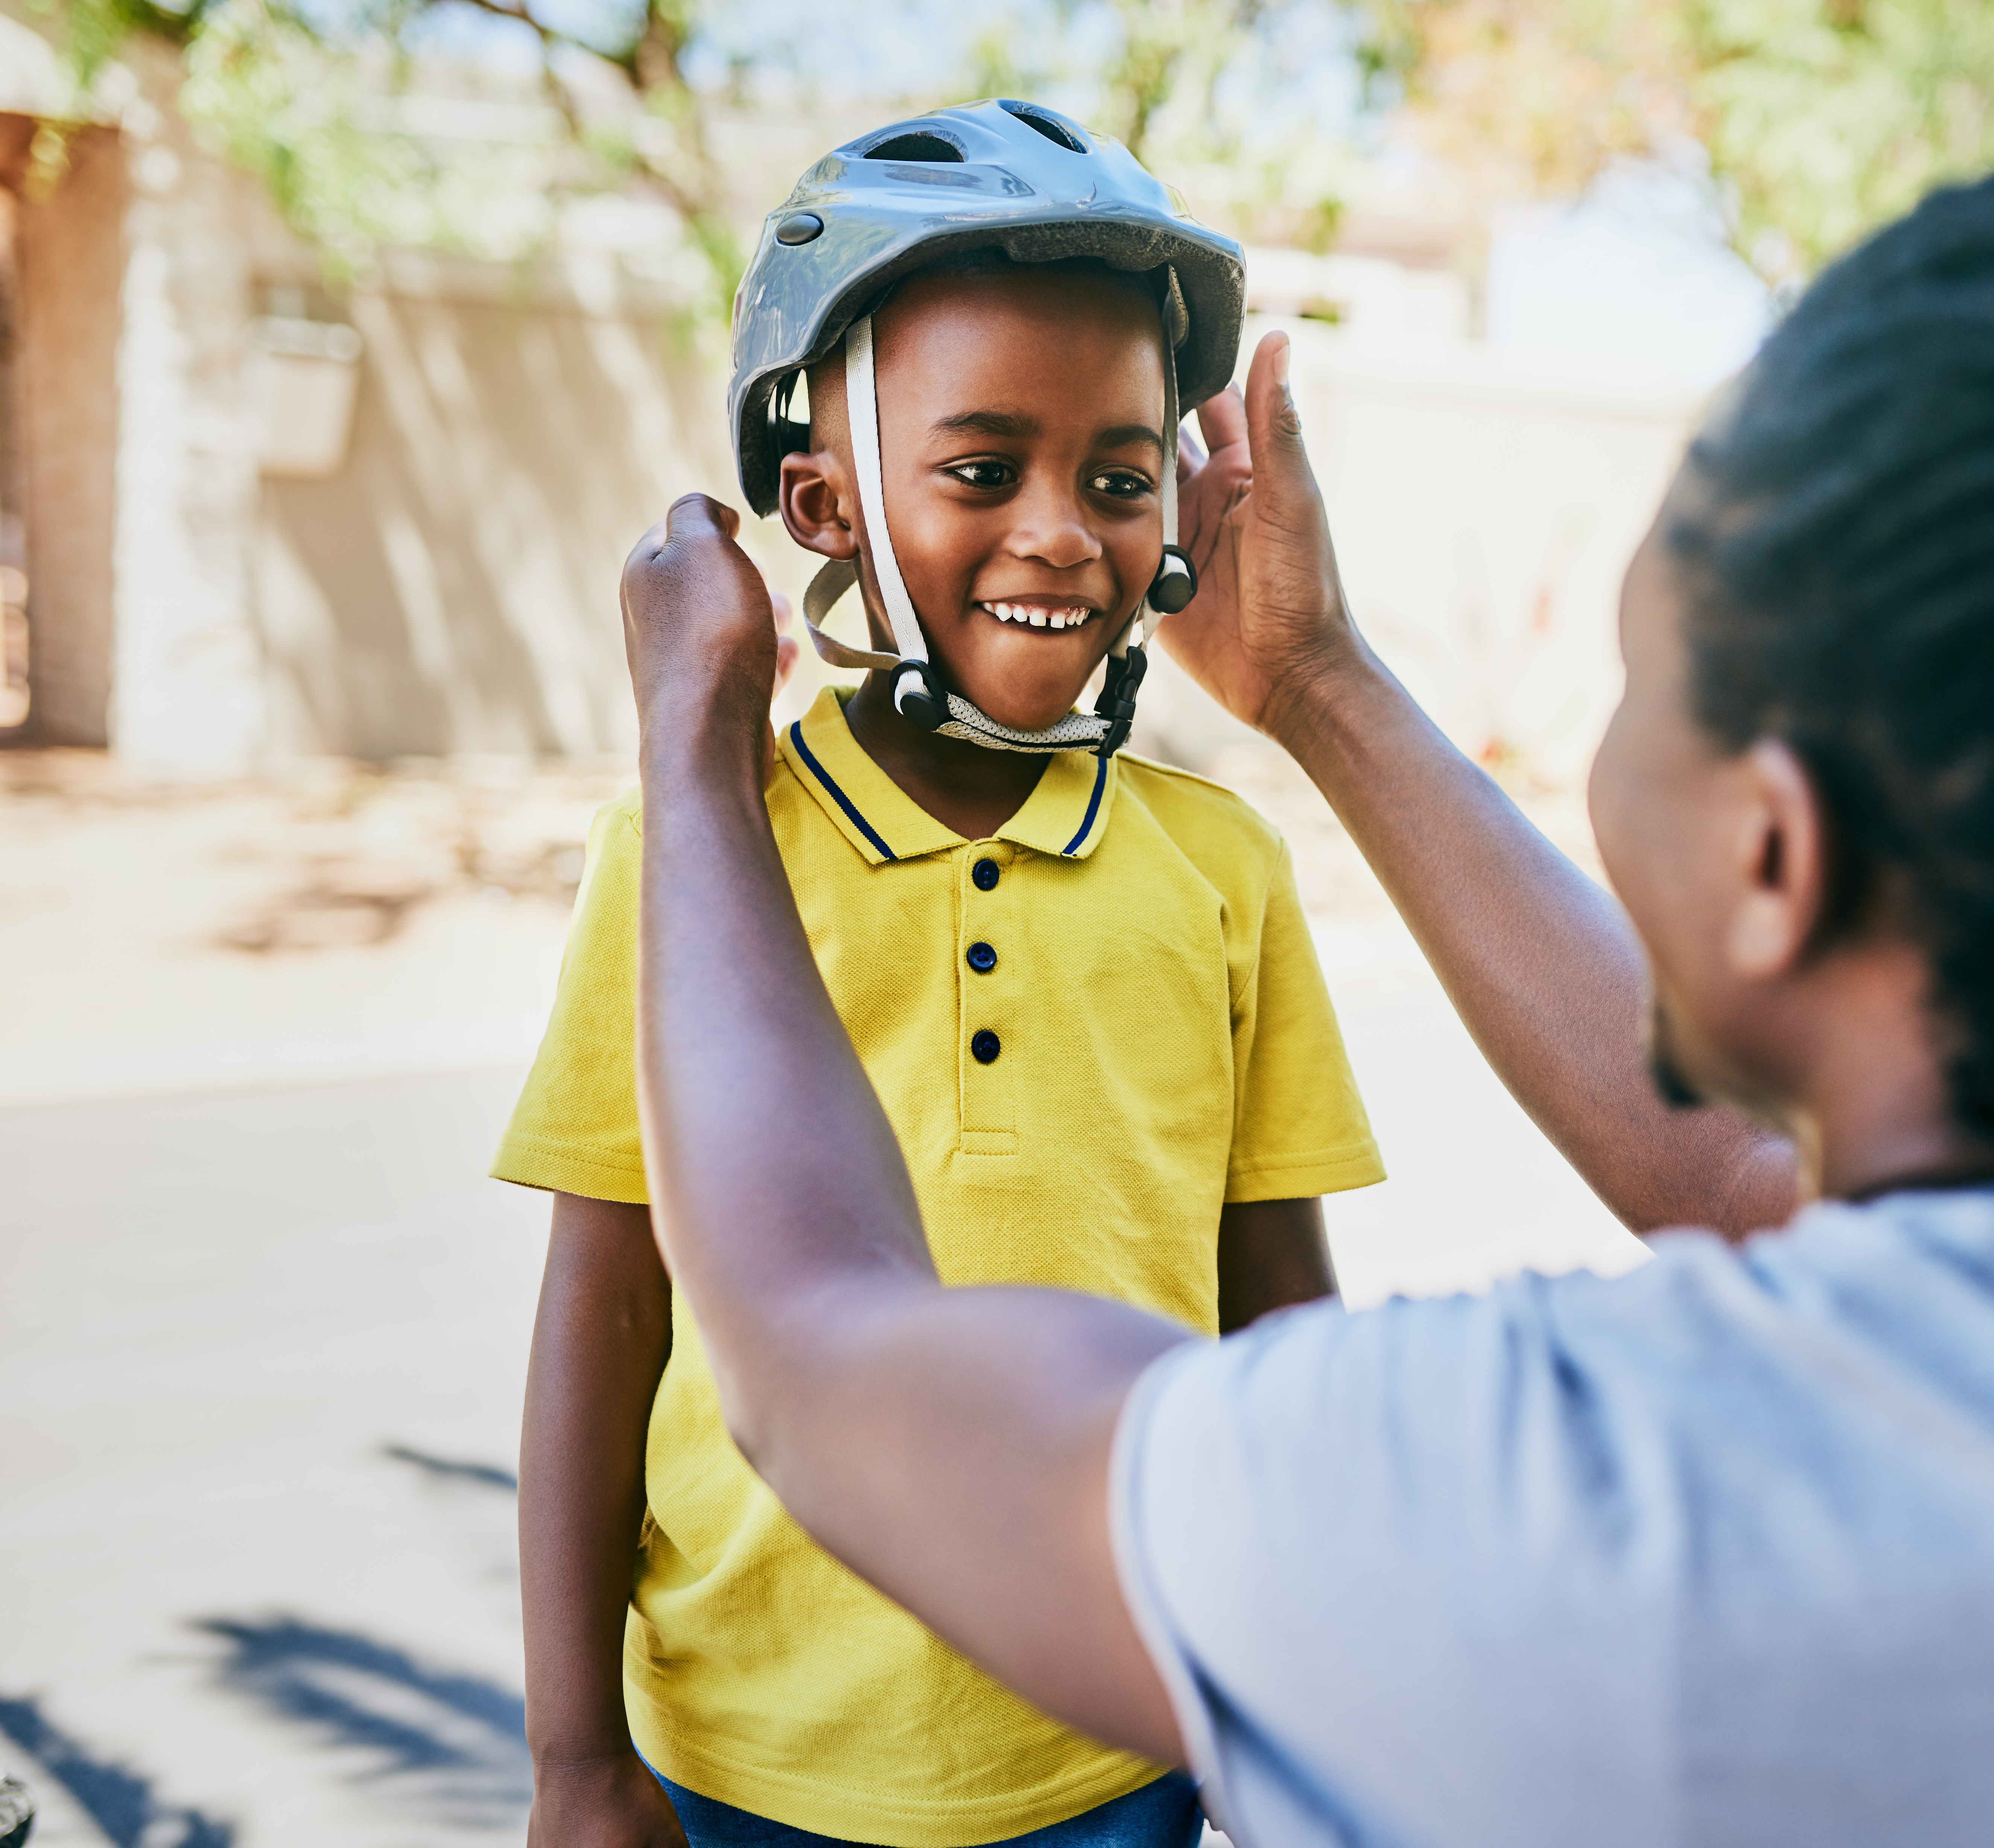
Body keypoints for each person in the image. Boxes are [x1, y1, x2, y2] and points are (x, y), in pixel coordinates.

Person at [609, 136, 1994, 1846]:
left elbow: (818, 1348)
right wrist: (1326, 687)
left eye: (1640, 678)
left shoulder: (1587, 1527)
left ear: (1771, 851)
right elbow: (1770, 1189)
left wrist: (696, 757)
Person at [495, 102, 1383, 1848]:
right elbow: (602, 1314)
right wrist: (574, 1757)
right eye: (982, 470)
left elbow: (1280, 1305)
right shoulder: (693, 850)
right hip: (739, 1759)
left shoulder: (1223, 869)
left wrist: (1301, 1696)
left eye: (1120, 478)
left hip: (1122, 1746)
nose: (1065, 532)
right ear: (823, 504)